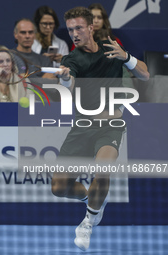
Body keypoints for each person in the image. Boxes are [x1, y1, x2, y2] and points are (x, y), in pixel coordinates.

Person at [51, 7, 149, 251]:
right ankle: (91, 199)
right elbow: (69, 83)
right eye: (71, 29)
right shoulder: (71, 59)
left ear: (91, 27)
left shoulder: (111, 47)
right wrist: (64, 78)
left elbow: (145, 75)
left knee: (102, 170)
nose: (74, 33)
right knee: (59, 187)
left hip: (111, 125)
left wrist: (126, 57)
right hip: (82, 126)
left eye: (79, 28)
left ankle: (88, 222)